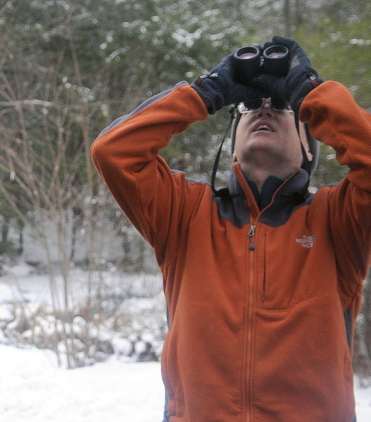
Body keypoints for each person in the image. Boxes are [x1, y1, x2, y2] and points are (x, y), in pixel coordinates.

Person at [90, 36, 371, 421]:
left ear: (310, 147)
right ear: (233, 147)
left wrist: (309, 93)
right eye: (251, 106)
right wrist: (207, 92)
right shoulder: (185, 215)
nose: (264, 110)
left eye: (282, 107)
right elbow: (113, 151)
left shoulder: (338, 220)